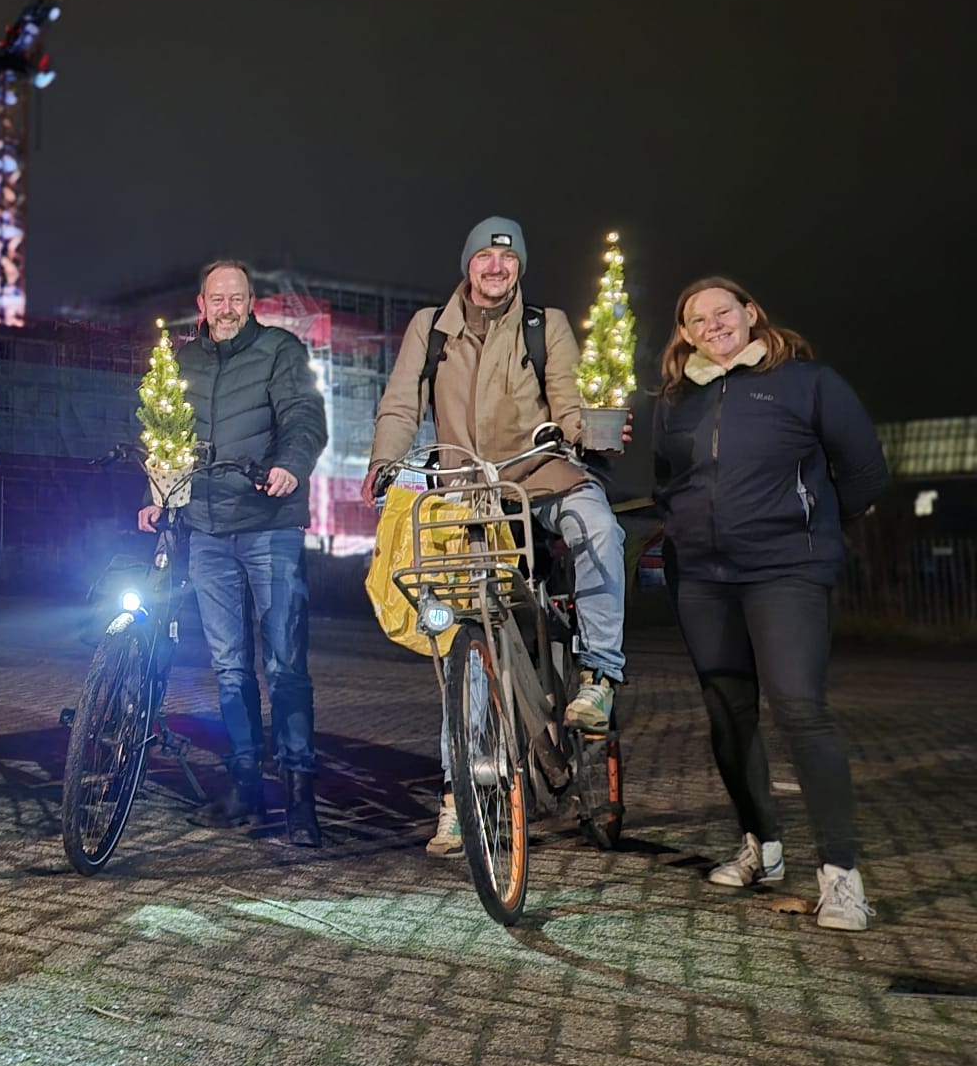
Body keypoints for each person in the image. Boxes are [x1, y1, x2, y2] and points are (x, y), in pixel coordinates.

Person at [366, 217, 628, 859]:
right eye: (484, 256)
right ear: (467, 264)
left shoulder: (546, 325)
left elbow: (566, 394)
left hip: (539, 473)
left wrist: (582, 428)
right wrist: (385, 461)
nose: (495, 268)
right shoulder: (431, 328)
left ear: (519, 268)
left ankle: (599, 674)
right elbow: (402, 403)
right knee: (468, 636)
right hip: (469, 492)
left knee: (599, 528)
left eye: (506, 259)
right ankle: (458, 796)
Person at [653, 277, 887, 931]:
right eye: (696, 320)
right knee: (728, 716)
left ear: (751, 313)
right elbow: (665, 481)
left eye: (722, 311)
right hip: (703, 577)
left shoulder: (808, 382)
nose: (712, 325)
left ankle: (841, 875)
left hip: (787, 571)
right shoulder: (678, 399)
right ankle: (763, 847)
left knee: (799, 708)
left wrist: (814, 527)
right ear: (687, 334)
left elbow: (865, 469)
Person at [137, 260, 329, 847]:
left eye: (237, 298)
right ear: (202, 302)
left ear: (251, 302)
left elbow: (303, 417)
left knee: (285, 664)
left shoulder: (278, 351)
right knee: (228, 667)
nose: (226, 308)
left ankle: (299, 797)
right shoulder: (183, 362)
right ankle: (246, 784)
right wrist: (155, 496)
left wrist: (289, 466)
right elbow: (159, 434)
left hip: (270, 523)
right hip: (207, 530)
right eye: (217, 298)